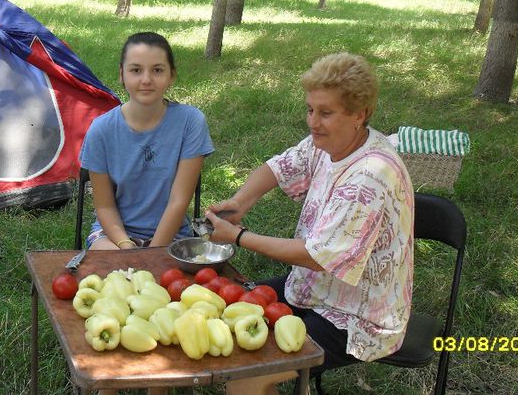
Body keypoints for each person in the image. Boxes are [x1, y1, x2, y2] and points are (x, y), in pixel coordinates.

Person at [206, 52, 414, 395]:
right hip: (311, 288)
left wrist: (239, 236)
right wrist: (240, 202)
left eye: (325, 112)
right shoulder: (329, 141)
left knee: (246, 376)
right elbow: (280, 167)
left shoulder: (372, 174)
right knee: (226, 317)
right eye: (310, 109)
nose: (313, 122)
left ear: (359, 114)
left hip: (357, 316)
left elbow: (317, 257)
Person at [79, 32, 214, 251]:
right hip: (113, 237)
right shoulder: (101, 130)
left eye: (157, 70)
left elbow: (179, 201)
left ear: (172, 76)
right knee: (113, 267)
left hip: (173, 236)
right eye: (136, 70)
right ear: (122, 75)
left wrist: (150, 254)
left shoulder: (191, 122)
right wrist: (125, 245)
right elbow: (104, 207)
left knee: (165, 275)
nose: (146, 79)